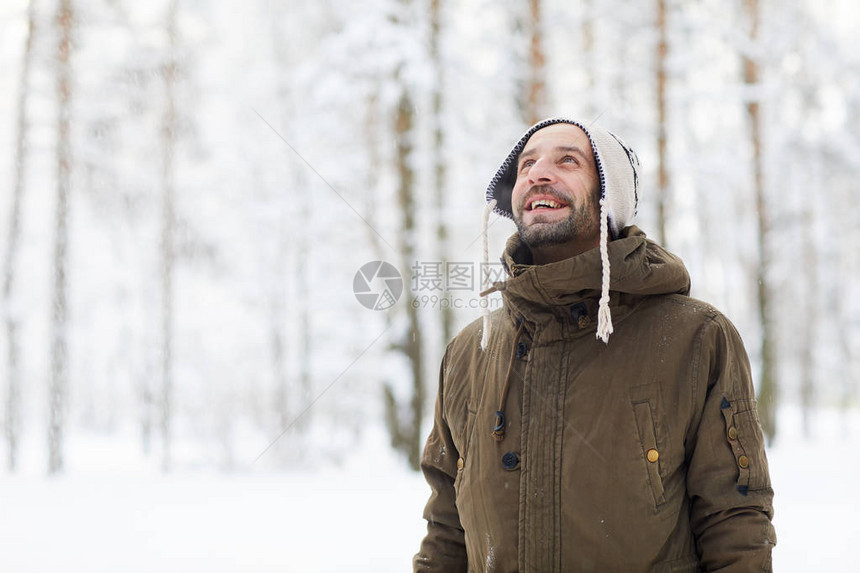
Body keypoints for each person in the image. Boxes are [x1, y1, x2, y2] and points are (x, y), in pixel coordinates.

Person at [413, 118, 776, 572]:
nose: (537, 173)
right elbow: (446, 532)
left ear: (611, 198)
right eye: (527, 163)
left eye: (567, 160)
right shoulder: (471, 351)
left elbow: (735, 524)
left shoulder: (696, 337)